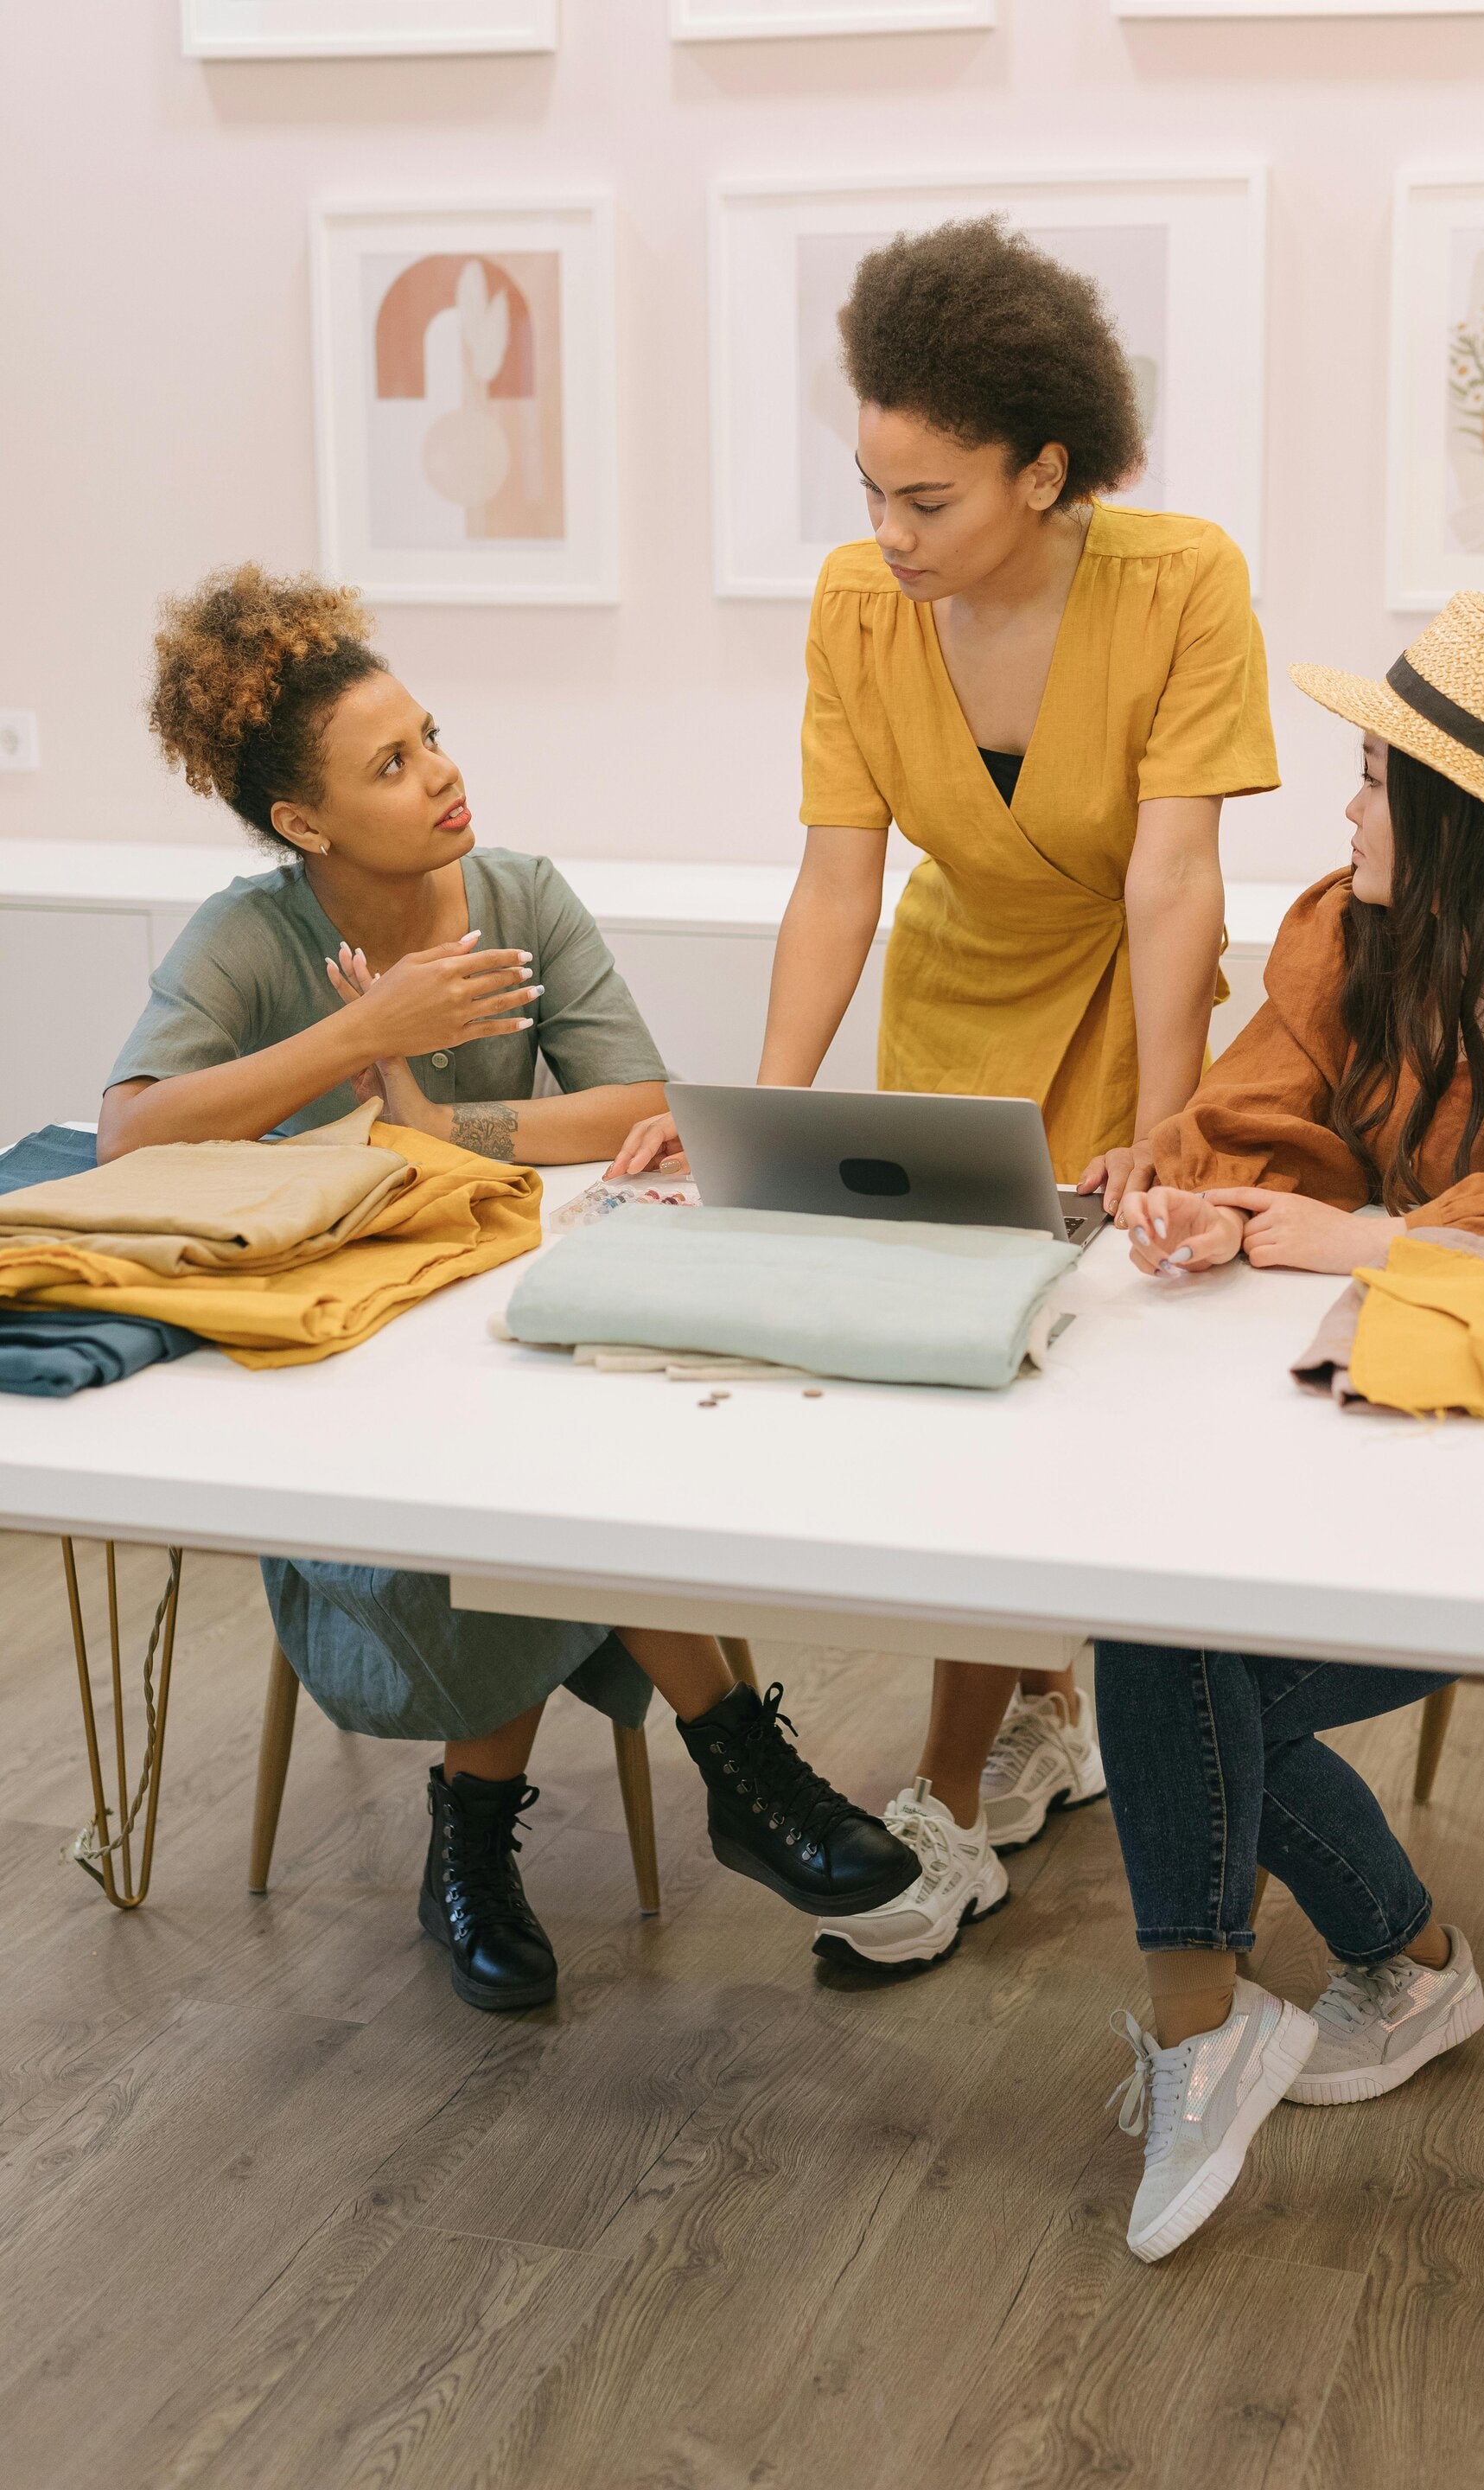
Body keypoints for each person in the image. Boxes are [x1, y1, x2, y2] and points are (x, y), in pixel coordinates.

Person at [101, 564, 918, 2013]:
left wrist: (439, 1121)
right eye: (390, 764)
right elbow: (129, 1136)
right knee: (543, 1489)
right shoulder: (250, 936)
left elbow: (642, 1105)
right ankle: (735, 1763)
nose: (441, 774)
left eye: (431, 737)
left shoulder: (522, 894)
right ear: (304, 821)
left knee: (554, 1457)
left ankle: (477, 1843)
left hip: (494, 1336)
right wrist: (361, 1032)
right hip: (333, 1390)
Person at [612, 218, 1279, 1970]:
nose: (890, 534)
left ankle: (946, 1794)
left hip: (1124, 1009)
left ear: (1045, 470)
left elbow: (1175, 881)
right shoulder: (859, 606)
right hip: (951, 1004)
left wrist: (1171, 1119)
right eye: (872, 491)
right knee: (953, 1394)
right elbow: (838, 880)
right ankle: (1030, 1732)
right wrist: (755, 1119)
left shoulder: (1180, 581)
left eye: (930, 499)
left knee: (1051, 1394)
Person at [1101, 590, 1484, 2261]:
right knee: (1161, 1625)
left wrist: (1380, 1242)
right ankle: (1301, 2001)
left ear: (1464, 820)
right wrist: (1205, 1204)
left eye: (1370, 782)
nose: (1345, 813)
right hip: (1347, 1431)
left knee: (1171, 1657)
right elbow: (1258, 1120)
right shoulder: (1351, 939)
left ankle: (1335, 1994)